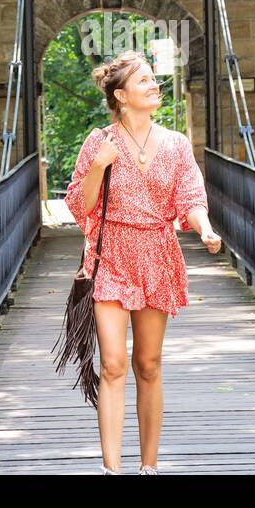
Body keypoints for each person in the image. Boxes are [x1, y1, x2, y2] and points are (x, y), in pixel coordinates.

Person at [63, 49, 222, 475]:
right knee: (113, 363)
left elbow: (189, 197)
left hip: (156, 254)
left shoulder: (175, 144)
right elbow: (79, 205)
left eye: (155, 79)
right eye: (145, 80)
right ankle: (111, 470)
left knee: (147, 365)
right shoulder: (100, 141)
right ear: (120, 95)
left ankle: (148, 467)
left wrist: (203, 228)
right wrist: (98, 166)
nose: (156, 86)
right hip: (109, 254)